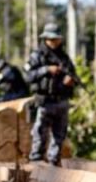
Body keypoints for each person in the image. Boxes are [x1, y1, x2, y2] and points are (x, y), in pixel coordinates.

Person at [24, 23, 79, 165]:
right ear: (46, 39)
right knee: (40, 133)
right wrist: (46, 70)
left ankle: (54, 162)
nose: (55, 42)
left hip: (62, 102)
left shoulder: (64, 58)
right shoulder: (37, 56)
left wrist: (70, 80)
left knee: (59, 135)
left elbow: (74, 75)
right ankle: (36, 161)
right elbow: (28, 76)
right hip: (44, 101)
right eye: (51, 39)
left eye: (57, 39)